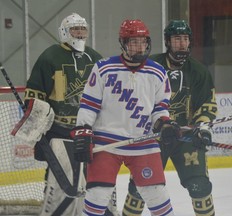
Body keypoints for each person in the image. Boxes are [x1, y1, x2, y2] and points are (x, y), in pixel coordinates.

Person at [71, 19, 180, 216]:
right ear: (123, 43)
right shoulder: (103, 68)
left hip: (143, 141)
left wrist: (164, 123)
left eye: (143, 42)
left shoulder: (158, 72)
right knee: (97, 196)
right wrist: (83, 129)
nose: (140, 47)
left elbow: (160, 108)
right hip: (107, 141)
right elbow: (88, 105)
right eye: (133, 42)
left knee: (157, 195)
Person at [24, 12, 118, 216]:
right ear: (64, 32)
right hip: (59, 131)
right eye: (75, 29)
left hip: (90, 130)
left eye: (83, 29)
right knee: (58, 181)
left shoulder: (94, 57)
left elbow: (108, 93)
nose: (80, 33)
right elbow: (34, 93)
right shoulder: (50, 57)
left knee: (98, 177)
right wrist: (37, 122)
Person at [122, 20, 218, 216]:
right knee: (139, 189)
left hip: (186, 138)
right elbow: (135, 101)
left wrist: (203, 126)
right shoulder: (151, 66)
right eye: (176, 39)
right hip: (154, 138)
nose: (182, 44)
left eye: (185, 39)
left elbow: (207, 104)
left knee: (199, 186)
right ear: (167, 41)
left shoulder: (199, 71)